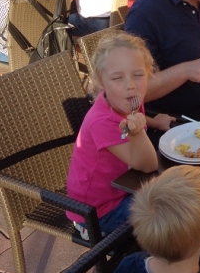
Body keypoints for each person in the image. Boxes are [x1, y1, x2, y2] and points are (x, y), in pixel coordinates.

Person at [66, 33, 173, 239]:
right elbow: (148, 165)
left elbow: (134, 115)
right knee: (171, 217)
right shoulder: (101, 122)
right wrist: (137, 132)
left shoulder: (125, 100)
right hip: (97, 211)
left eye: (138, 75)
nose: (130, 84)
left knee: (178, 194)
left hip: (123, 187)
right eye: (117, 78)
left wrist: (155, 122)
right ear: (101, 82)